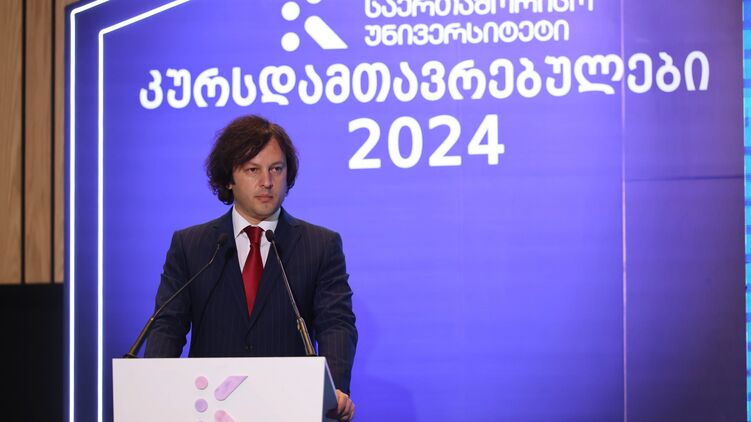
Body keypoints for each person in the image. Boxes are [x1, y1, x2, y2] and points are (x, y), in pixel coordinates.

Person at [145, 114, 357, 421]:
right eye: (252, 170)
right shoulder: (192, 246)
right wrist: (153, 390)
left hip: (290, 407)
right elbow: (168, 325)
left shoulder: (320, 245)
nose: (267, 182)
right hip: (210, 408)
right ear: (228, 178)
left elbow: (336, 323)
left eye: (276, 169)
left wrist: (334, 390)